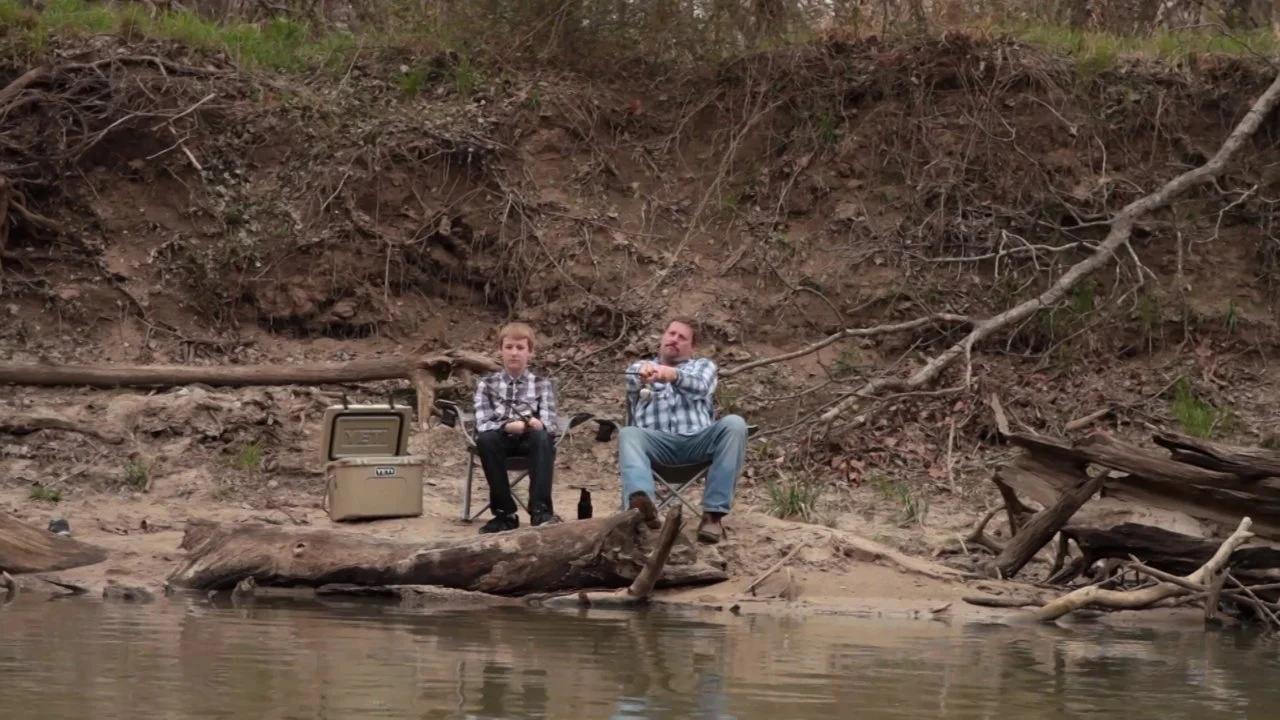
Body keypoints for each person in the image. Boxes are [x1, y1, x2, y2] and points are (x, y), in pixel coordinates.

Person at [618, 316, 748, 544]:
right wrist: (646, 373)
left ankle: (713, 516)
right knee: (628, 433)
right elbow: (631, 380)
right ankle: (642, 511)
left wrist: (673, 375)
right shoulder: (641, 367)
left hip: (697, 444)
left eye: (682, 337)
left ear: (692, 347)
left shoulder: (703, 367)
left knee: (735, 424)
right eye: (671, 334)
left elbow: (701, 386)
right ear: (663, 337)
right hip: (656, 447)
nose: (674, 340)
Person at [472, 321, 561, 533]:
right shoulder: (486, 384)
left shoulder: (542, 384)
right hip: (500, 440)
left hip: (530, 441)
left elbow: (550, 424)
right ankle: (505, 514)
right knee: (486, 439)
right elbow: (482, 423)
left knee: (542, 437)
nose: (514, 353)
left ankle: (541, 512)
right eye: (509, 347)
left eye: (520, 348)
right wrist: (506, 426)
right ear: (500, 350)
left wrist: (538, 424)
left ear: (530, 353)